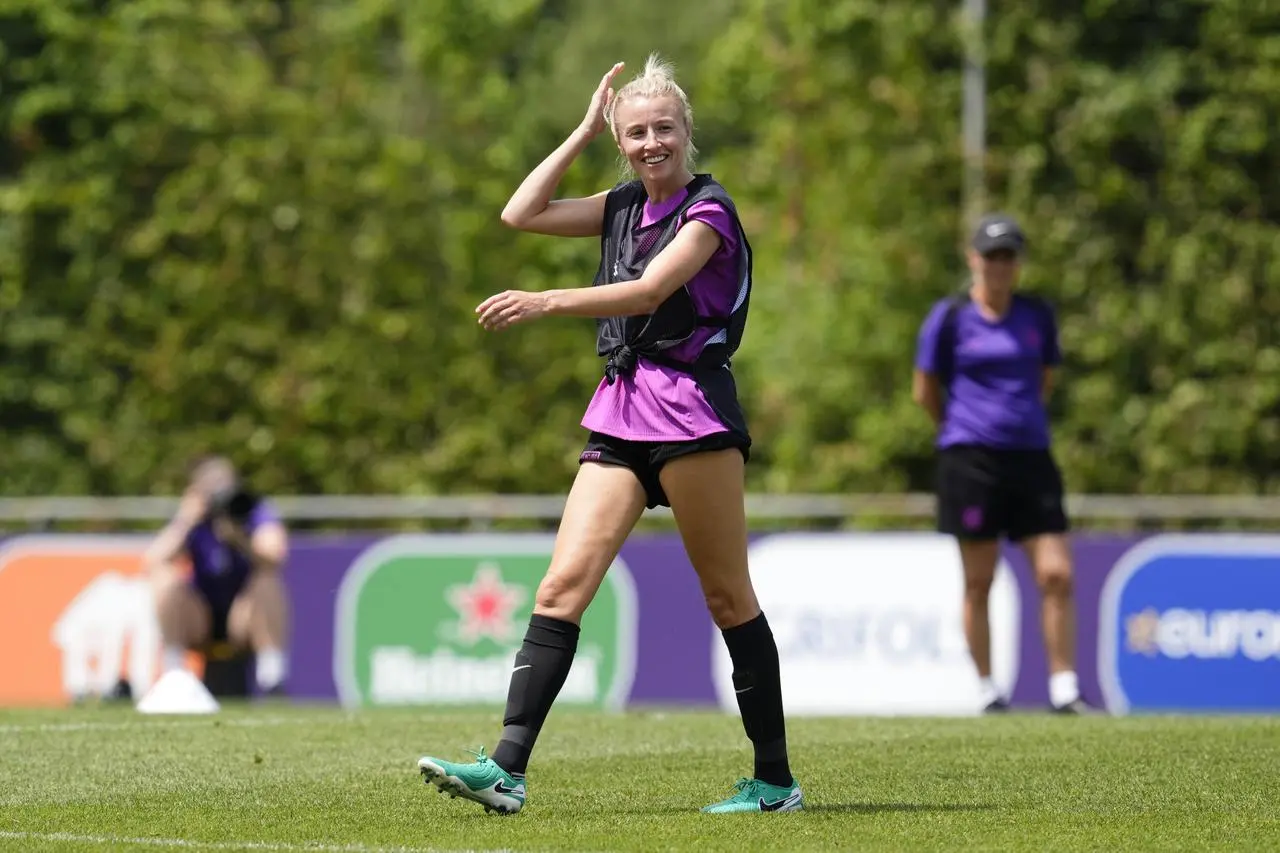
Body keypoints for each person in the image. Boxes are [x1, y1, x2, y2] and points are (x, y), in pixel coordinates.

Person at [415, 55, 803, 815]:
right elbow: (520, 212)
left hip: (692, 414)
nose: (652, 142)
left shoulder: (708, 211)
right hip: (622, 410)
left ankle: (774, 782)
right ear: (621, 142)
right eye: (635, 132)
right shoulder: (622, 201)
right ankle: (506, 767)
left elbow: (652, 287)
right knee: (562, 585)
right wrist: (581, 130)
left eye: (664, 128)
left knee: (728, 596)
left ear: (688, 133)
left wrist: (545, 300)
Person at [912, 214, 1086, 714]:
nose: (1000, 266)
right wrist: (960, 429)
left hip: (1031, 457)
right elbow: (924, 389)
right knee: (979, 580)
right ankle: (988, 689)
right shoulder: (949, 317)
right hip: (970, 461)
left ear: (1018, 262)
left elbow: (1045, 378)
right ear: (973, 259)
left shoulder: (1037, 316)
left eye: (1008, 256)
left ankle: (1063, 687)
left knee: (1057, 573)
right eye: (991, 255)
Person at [143, 454, 291, 696]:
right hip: (199, 617)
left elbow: (276, 556)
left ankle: (272, 676)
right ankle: (173, 672)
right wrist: (186, 520)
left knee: (267, 579)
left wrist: (240, 539)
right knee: (164, 579)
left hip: (243, 616)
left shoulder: (251, 511)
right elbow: (153, 560)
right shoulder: (192, 518)